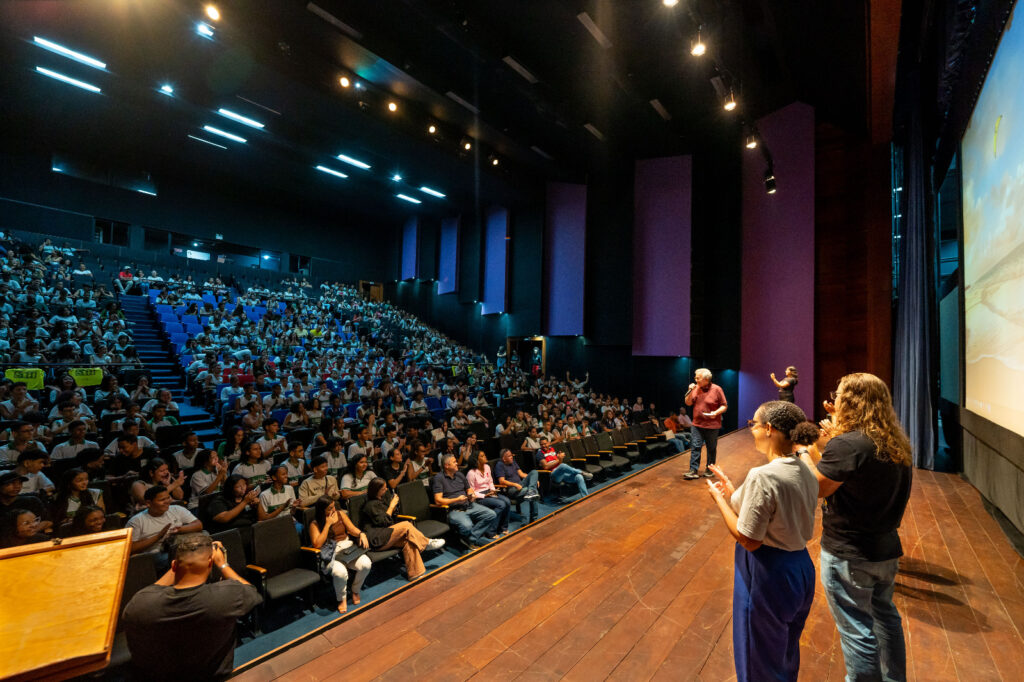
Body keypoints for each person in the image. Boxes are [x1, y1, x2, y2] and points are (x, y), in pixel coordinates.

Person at [799, 373, 913, 682]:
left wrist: (810, 451)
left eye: (838, 395)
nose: (834, 400)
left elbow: (819, 489)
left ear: (850, 401)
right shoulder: (895, 442)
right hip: (886, 550)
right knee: (886, 619)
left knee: (857, 631)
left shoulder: (848, 445)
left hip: (850, 554)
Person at [706, 401, 820, 682]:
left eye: (752, 425)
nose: (752, 431)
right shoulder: (805, 469)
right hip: (799, 569)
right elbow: (767, 510)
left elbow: (748, 539)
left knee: (757, 662)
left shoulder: (764, 475)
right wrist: (731, 487)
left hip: (767, 573)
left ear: (769, 428)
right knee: (784, 653)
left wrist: (718, 499)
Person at [121, 533, 262, 681]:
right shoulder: (227, 597)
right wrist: (221, 563)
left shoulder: (140, 604)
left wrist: (182, 562)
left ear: (174, 565)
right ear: (210, 563)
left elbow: (152, 589)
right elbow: (251, 591)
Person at [362, 479, 445, 580]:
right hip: (376, 539)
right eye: (384, 489)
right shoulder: (370, 505)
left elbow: (389, 520)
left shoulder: (382, 501)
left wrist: (394, 506)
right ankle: (426, 543)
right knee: (406, 525)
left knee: (408, 540)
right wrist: (392, 506)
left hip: (387, 535)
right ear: (376, 490)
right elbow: (383, 522)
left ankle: (415, 574)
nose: (386, 490)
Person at [308, 497, 373, 612]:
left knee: (366, 564)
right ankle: (341, 598)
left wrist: (361, 534)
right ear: (321, 510)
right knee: (340, 573)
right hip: (330, 552)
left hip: (346, 548)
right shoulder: (315, 523)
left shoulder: (340, 514)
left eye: (333, 506)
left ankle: (355, 590)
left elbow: (352, 529)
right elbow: (317, 544)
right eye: (329, 508)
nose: (333, 510)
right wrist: (328, 525)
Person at [431, 453, 497, 549]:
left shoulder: (459, 474)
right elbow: (438, 500)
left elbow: (469, 489)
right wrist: (457, 499)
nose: (457, 463)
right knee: (467, 526)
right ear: (446, 465)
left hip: (468, 505)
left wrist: (471, 494)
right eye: (454, 462)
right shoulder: (439, 478)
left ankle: (470, 539)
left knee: (491, 514)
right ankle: (469, 539)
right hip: (454, 509)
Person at [126, 486, 203, 556]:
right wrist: (158, 536)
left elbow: (198, 525)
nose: (167, 501)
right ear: (148, 503)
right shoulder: (136, 521)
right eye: (162, 500)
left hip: (180, 547)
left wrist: (180, 529)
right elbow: (130, 549)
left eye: (168, 497)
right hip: (154, 555)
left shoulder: (177, 509)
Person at [683, 368, 728, 480]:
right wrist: (689, 390)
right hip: (697, 425)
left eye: (698, 377)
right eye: (695, 377)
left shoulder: (717, 389)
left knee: (711, 448)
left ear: (706, 379)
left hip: (712, 425)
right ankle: (693, 470)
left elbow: (724, 405)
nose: (695, 379)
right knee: (695, 446)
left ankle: (710, 470)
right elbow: (688, 403)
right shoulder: (695, 388)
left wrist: (716, 412)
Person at [467, 450, 511, 535]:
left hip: (489, 492)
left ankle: (503, 528)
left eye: (484, 455)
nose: (485, 457)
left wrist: (493, 490)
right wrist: (484, 495)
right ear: (477, 460)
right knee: (501, 504)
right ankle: (490, 531)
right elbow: (471, 492)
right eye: (482, 456)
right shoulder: (471, 473)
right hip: (479, 497)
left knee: (507, 502)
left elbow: (490, 481)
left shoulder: (487, 467)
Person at [493, 447, 540, 523]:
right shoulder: (499, 465)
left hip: (520, 485)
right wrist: (514, 484)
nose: (512, 457)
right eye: (509, 456)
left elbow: (521, 474)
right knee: (533, 492)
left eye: (511, 455)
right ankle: (533, 518)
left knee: (534, 472)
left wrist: (534, 480)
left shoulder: (513, 462)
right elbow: (501, 481)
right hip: (512, 489)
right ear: (504, 459)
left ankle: (531, 490)